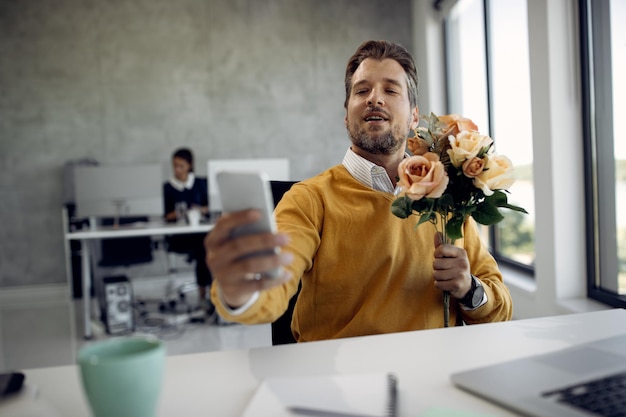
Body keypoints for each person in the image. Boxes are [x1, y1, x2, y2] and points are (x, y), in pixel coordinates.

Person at [205, 40, 513, 342]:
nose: (374, 99)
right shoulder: (308, 201)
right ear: (347, 114)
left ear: (414, 118)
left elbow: (501, 310)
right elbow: (271, 293)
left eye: (391, 90)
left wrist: (469, 289)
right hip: (339, 383)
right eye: (362, 90)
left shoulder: (448, 200)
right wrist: (240, 288)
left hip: (433, 376)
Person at [163, 147, 214, 314]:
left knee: (209, 244)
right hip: (179, 237)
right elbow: (165, 216)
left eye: (181, 166)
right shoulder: (168, 187)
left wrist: (200, 209)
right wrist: (179, 212)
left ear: (189, 165)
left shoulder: (200, 183)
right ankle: (203, 296)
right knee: (204, 248)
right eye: (175, 166)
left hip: (200, 233)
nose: (177, 170)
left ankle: (212, 294)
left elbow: (211, 207)